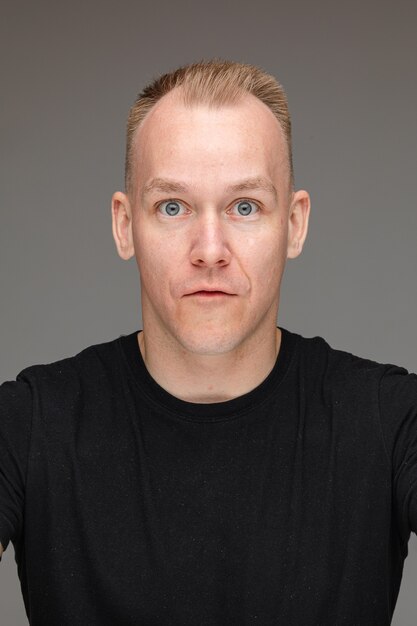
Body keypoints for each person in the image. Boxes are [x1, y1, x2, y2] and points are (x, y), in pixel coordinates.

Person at [0, 59, 416, 626]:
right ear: (125, 226)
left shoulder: (389, 420)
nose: (210, 249)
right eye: (173, 207)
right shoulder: (28, 425)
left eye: (245, 207)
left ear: (294, 225)